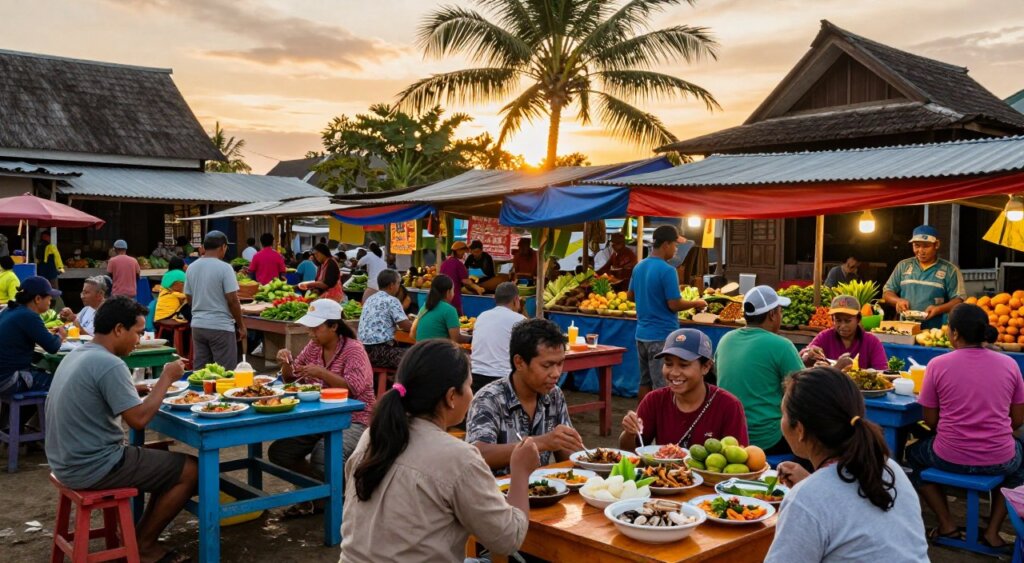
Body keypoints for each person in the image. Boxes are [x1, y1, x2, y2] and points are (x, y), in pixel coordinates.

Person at [342, 339, 538, 561]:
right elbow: (508, 539)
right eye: (469, 386)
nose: (471, 394)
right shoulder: (458, 457)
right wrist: (521, 471)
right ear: (451, 396)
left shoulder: (373, 436)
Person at [45, 297, 197, 563]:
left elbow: (98, 389)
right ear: (118, 329)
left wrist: (134, 389)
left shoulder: (78, 353)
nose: (139, 340)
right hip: (93, 465)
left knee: (162, 460)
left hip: (64, 460)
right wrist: (166, 377)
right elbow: (139, 420)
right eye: (137, 333)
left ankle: (139, 538)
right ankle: (144, 545)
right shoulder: (110, 363)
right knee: (191, 470)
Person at [765, 367, 928, 562]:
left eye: (783, 414)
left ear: (800, 429)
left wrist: (810, 489)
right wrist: (811, 483)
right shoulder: (890, 468)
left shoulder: (805, 500)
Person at [906, 303, 1024, 548]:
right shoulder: (1010, 364)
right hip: (1000, 458)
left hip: (948, 455)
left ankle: (946, 525)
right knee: (1020, 464)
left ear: (955, 333)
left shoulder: (937, 364)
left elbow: (930, 421)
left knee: (913, 455)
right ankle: (993, 532)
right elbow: (1018, 419)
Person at [269, 299, 374, 517]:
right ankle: (318, 496)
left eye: (316, 328)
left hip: (355, 418)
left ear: (334, 326)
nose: (311, 333)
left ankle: (346, 504)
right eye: (310, 328)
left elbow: (354, 389)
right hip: (320, 416)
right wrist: (285, 362)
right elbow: (292, 378)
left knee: (324, 455)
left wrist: (322, 373)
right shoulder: (314, 347)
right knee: (281, 452)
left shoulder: (354, 350)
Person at [468, 318, 583, 475]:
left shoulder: (554, 394)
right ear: (519, 362)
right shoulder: (489, 399)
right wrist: (543, 442)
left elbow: (568, 455)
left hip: (543, 487)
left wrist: (587, 456)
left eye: (560, 363)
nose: (556, 373)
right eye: (547, 365)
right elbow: (477, 455)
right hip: (499, 489)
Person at [620, 328, 748, 450]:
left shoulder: (729, 406)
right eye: (668, 364)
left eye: (684, 365)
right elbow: (631, 452)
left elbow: (737, 458)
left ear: (706, 367)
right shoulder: (654, 400)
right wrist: (629, 433)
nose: (674, 372)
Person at [716, 285, 804, 452]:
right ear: (772, 314)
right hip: (768, 439)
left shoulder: (725, 340)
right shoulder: (782, 345)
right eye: (780, 311)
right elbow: (804, 392)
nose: (781, 316)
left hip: (730, 437)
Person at [628, 225, 707, 398]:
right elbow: (674, 304)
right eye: (675, 245)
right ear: (666, 245)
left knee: (644, 381)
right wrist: (696, 302)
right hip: (661, 336)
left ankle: (642, 415)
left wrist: (648, 298)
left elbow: (630, 296)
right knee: (662, 385)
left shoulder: (639, 266)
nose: (676, 249)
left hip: (641, 335)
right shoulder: (668, 270)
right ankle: (661, 416)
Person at [883, 225, 965, 329]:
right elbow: (887, 292)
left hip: (936, 331)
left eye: (926, 246)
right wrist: (898, 301)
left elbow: (958, 300)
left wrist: (938, 309)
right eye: (916, 246)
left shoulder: (950, 270)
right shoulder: (903, 266)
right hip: (906, 329)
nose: (921, 251)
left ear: (936, 245)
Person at [184, 230, 245, 368]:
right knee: (225, 372)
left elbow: (189, 298)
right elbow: (232, 300)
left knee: (201, 372)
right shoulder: (225, 268)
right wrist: (241, 326)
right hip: (221, 327)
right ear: (223, 247)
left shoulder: (191, 268)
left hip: (198, 326)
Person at [0, 276, 64, 398]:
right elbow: (52, 347)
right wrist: (60, 335)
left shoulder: (8, 310)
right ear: (38, 299)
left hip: (4, 375)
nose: (51, 301)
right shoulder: (29, 316)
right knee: (62, 383)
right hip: (8, 380)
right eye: (49, 298)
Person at [800, 294, 887, 371]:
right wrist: (808, 353)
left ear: (858, 319)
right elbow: (803, 357)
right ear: (832, 319)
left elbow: (882, 371)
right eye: (838, 320)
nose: (842, 326)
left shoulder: (871, 341)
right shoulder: (825, 336)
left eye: (847, 321)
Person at [471, 282, 526, 393]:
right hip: (502, 378)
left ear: (494, 298)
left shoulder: (482, 316)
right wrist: (522, 309)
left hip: (475, 376)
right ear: (516, 299)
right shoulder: (519, 320)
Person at [358, 269, 413, 369]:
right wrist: (417, 325)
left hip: (363, 351)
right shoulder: (392, 300)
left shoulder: (370, 299)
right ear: (391, 285)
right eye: (398, 283)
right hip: (380, 351)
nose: (398, 287)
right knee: (416, 356)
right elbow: (405, 325)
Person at [410, 274, 468, 343]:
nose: (454, 294)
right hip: (437, 349)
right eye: (453, 290)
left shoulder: (425, 307)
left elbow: (412, 334)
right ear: (448, 292)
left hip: (420, 348)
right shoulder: (449, 310)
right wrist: (471, 339)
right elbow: (456, 339)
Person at [154, 258, 189, 323]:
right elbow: (185, 294)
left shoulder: (166, 274)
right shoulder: (181, 274)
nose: (186, 265)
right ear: (181, 265)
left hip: (159, 314)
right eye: (184, 264)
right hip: (171, 314)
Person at [440, 241, 470, 315]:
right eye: (463, 252)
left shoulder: (444, 264)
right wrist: (477, 288)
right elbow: (465, 281)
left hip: (442, 298)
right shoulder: (458, 264)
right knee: (457, 318)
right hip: (454, 297)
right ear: (458, 251)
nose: (463, 254)